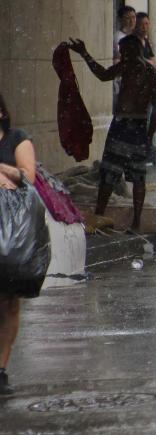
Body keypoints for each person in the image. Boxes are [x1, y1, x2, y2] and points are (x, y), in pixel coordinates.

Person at [68, 36, 156, 233]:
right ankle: (105, 217)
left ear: (134, 50)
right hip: (128, 126)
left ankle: (128, 220)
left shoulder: (143, 71)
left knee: (127, 175)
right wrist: (85, 54)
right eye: (121, 51)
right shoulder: (135, 69)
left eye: (124, 51)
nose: (121, 55)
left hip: (130, 126)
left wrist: (150, 135)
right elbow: (103, 75)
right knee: (117, 174)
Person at [0, 93, 40, 395]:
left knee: (9, 301)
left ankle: (0, 368)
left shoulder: (17, 139)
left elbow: (28, 177)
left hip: (9, 226)